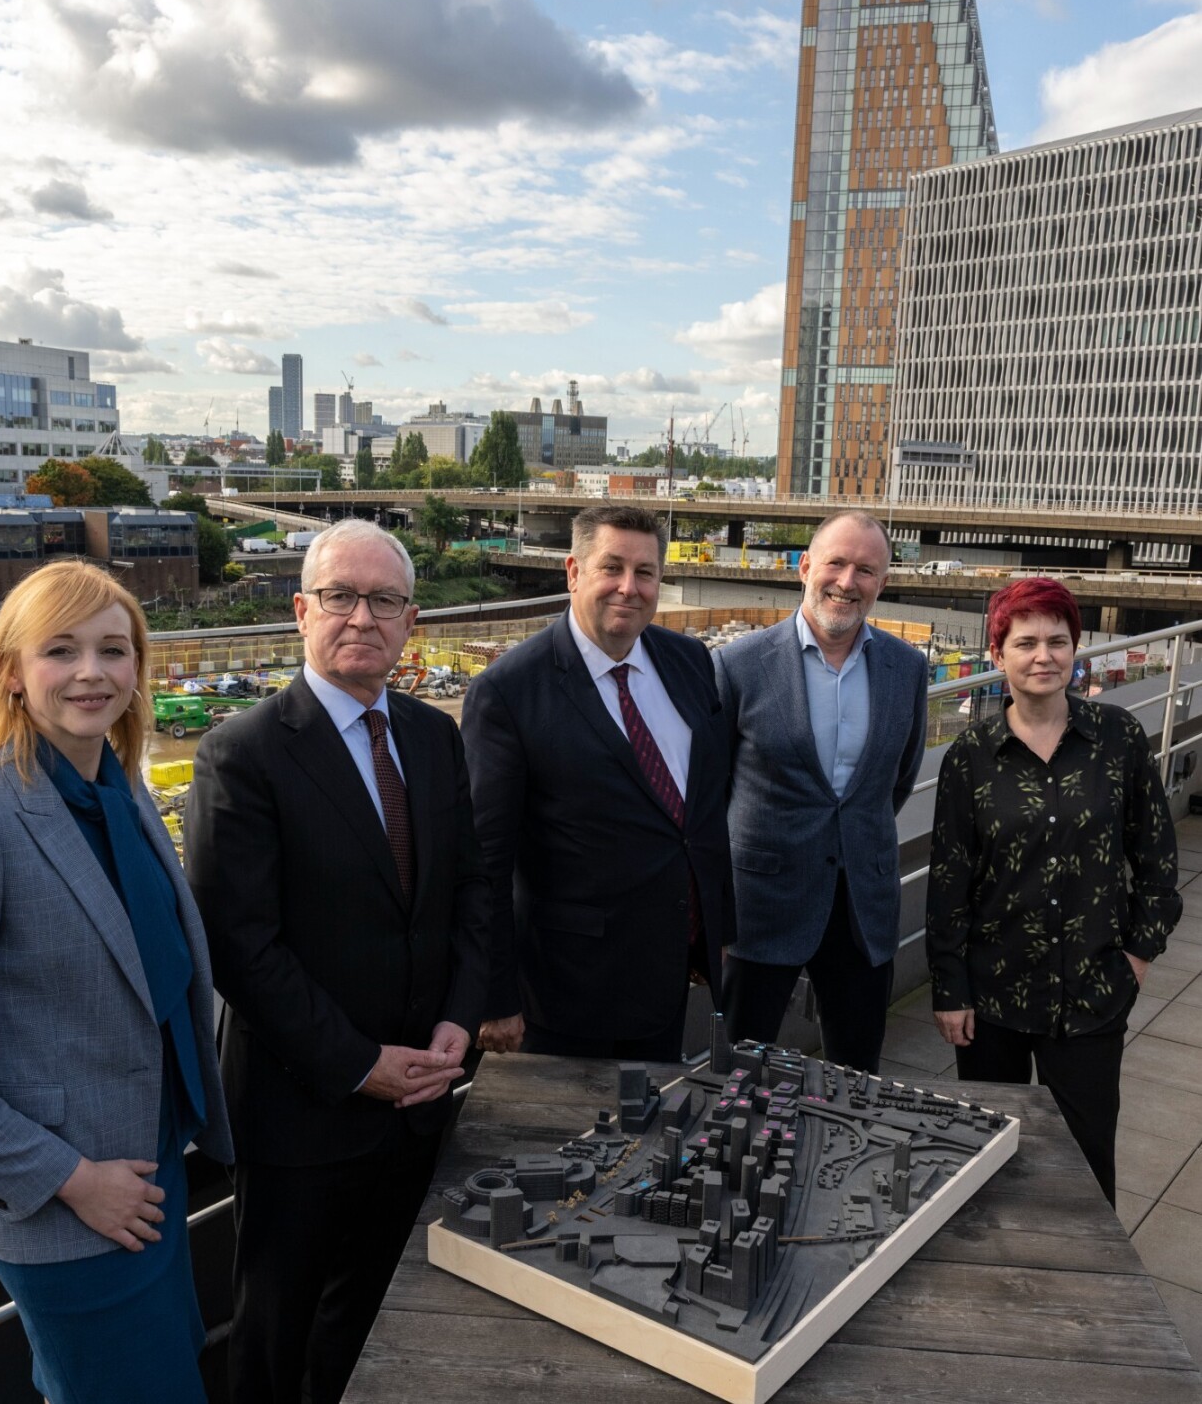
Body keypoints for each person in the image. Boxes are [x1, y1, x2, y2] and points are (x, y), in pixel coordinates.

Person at [0, 560, 231, 1404]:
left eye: (114, 650)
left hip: (151, 1168)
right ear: (11, 671)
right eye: (61, 650)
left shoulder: (117, 790)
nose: (92, 672)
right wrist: (75, 1180)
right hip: (71, 1206)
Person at [185, 520, 487, 1404]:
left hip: (422, 1101)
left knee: (372, 1322)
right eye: (341, 597)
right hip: (301, 1115)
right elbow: (240, 946)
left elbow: (472, 894)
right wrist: (360, 1066)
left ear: (411, 620)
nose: (363, 616)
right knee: (275, 1339)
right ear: (300, 611)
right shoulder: (241, 754)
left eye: (384, 600)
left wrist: (458, 1026)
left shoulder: (436, 739)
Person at [926, 577, 1181, 1203]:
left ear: (1075, 650)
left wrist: (1138, 956)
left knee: (1089, 1162)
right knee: (989, 1157)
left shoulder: (1118, 739)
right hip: (991, 998)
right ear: (999, 655)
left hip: (1093, 992)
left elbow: (1156, 856)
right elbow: (950, 880)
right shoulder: (970, 755)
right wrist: (950, 989)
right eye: (1026, 642)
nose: (1044, 656)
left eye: (1058, 641)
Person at [462, 503, 735, 1062]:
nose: (628, 588)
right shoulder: (509, 691)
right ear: (573, 572)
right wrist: (494, 995)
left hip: (668, 975)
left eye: (646, 573)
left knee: (657, 1135)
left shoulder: (689, 661)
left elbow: (700, 809)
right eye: (612, 568)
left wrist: (713, 928)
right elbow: (484, 860)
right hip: (569, 993)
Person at [713, 512, 928, 1072]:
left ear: (883, 583)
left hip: (863, 901)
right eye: (835, 562)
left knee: (857, 1071)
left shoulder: (907, 669)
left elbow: (896, 780)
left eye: (866, 570)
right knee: (740, 1069)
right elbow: (711, 789)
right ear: (805, 567)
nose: (847, 581)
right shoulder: (738, 665)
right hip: (760, 903)